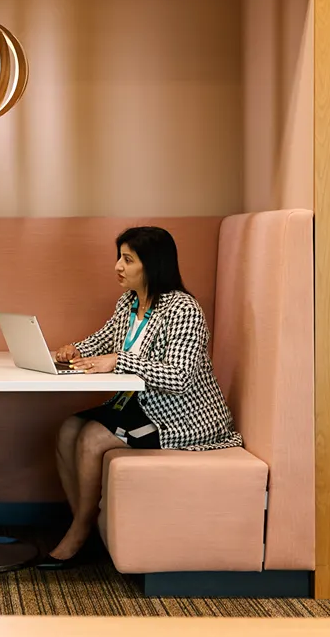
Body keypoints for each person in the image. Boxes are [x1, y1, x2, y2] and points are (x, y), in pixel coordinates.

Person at [40, 225, 242, 568]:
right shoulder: (129, 303)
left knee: (91, 437)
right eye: (119, 257)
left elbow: (179, 377)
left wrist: (121, 360)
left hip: (181, 416)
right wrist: (73, 350)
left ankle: (78, 533)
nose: (118, 266)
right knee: (68, 430)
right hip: (139, 406)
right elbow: (103, 341)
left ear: (152, 264)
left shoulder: (183, 310)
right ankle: (87, 526)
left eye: (128, 259)